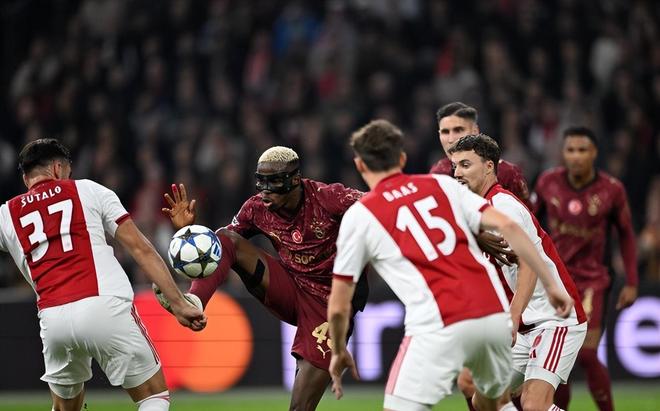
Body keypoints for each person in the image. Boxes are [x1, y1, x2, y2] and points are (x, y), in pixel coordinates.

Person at [327, 119, 574, 411]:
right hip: (493, 316)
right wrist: (551, 283)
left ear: (359, 165)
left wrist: (339, 350)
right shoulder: (441, 185)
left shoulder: (361, 214)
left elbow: (339, 305)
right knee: (490, 403)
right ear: (402, 159)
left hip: (437, 323)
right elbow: (508, 226)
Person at [0, 138, 206, 411]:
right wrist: (178, 303)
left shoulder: (6, 214)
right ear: (58, 168)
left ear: (26, 178)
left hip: (53, 321)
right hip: (103, 304)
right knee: (153, 396)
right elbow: (140, 248)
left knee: (65, 408)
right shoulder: (88, 190)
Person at [159, 146, 368, 411]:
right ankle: (194, 302)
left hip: (330, 306)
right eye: (261, 182)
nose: (265, 190)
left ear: (295, 179)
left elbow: (380, 204)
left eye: (274, 182)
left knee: (300, 408)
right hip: (290, 289)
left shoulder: (329, 198)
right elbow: (219, 249)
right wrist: (190, 233)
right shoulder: (256, 208)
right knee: (225, 238)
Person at [449, 134, 587, 411]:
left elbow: (528, 265)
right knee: (483, 400)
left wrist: (512, 316)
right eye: (455, 166)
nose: (457, 173)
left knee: (534, 405)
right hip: (524, 326)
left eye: (465, 165)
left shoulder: (503, 207)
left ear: (489, 166)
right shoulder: (476, 211)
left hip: (553, 319)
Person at [532, 126, 638, 411]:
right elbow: (529, 224)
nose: (576, 156)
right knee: (559, 363)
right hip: (555, 282)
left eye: (582, 150)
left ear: (594, 153)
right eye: (570, 150)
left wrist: (631, 281)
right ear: (563, 153)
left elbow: (626, 234)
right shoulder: (547, 182)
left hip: (593, 281)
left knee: (588, 355)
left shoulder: (611, 189)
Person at [431, 102, 530, 208]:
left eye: (458, 130)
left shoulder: (508, 174)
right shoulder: (438, 173)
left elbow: (525, 214)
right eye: (445, 132)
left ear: (475, 132)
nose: (451, 139)